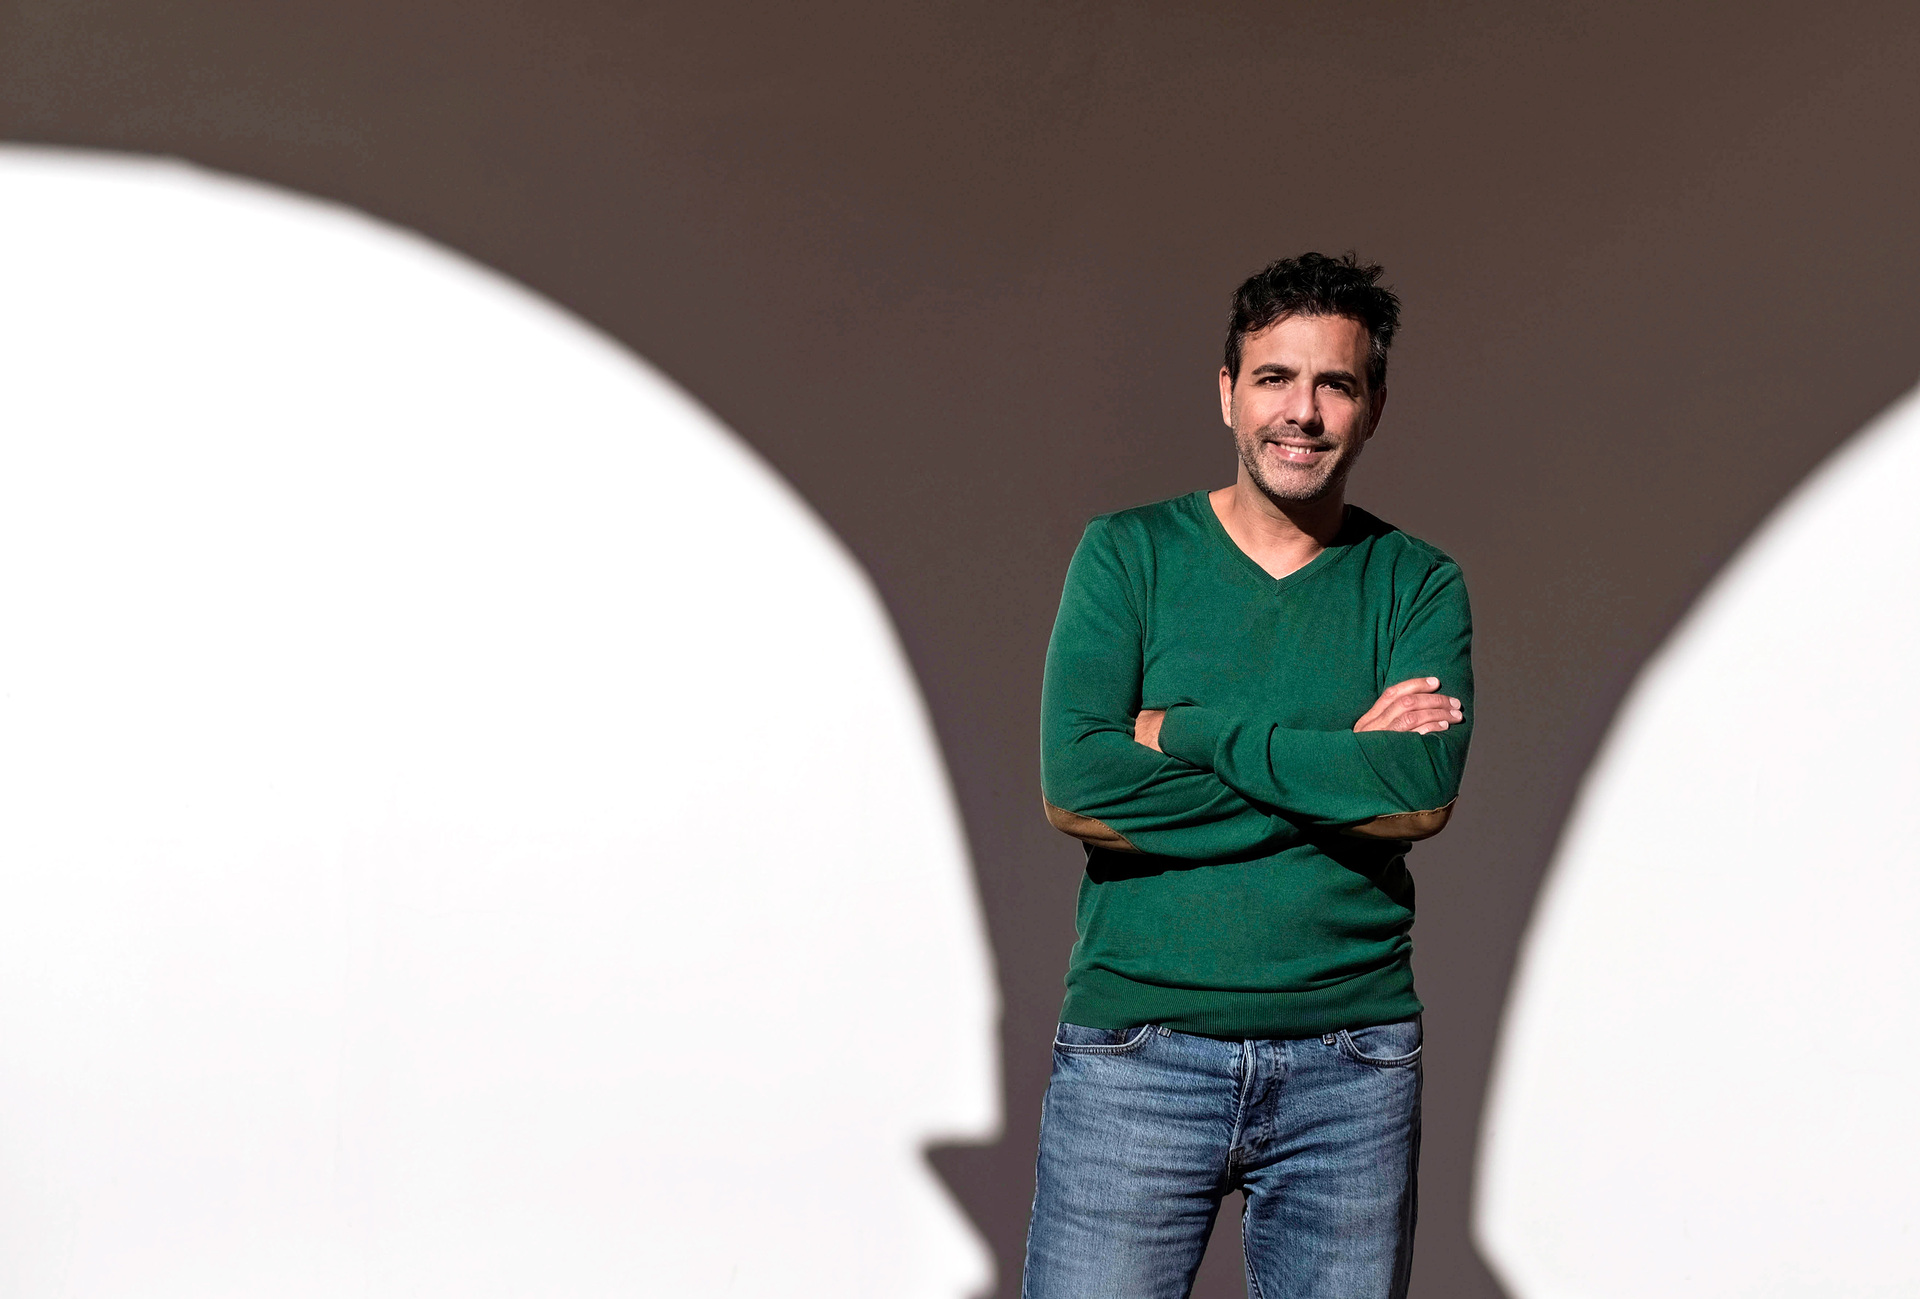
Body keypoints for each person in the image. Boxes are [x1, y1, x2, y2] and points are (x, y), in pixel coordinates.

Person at [1024, 252, 1473, 1299]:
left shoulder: (1417, 582)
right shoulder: (1127, 555)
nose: (1302, 412)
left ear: (1374, 407)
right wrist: (1341, 764)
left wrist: (1181, 730)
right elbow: (1077, 788)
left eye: (1335, 384)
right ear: (1227, 391)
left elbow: (1418, 793)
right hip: (1137, 1050)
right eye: (1275, 378)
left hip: (1352, 1065)